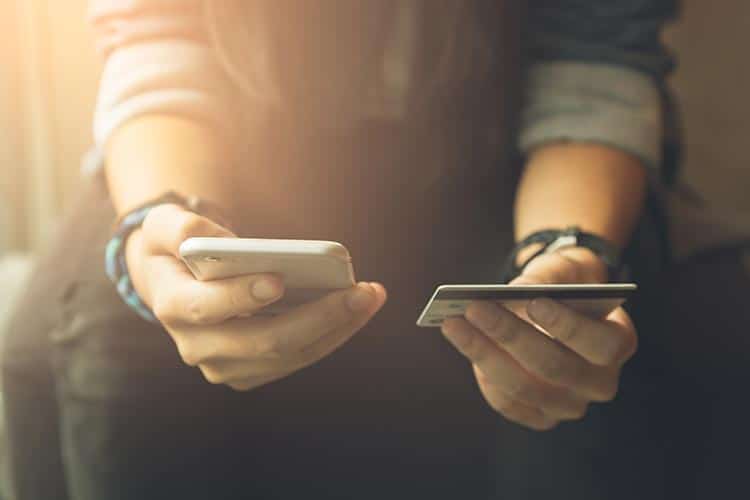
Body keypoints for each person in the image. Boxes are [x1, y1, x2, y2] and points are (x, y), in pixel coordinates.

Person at [1, 1, 679, 499]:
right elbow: (156, 42)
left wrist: (563, 249)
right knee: (116, 337)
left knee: (573, 358)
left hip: (502, 160)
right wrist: (164, 222)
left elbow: (597, 60)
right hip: (217, 149)